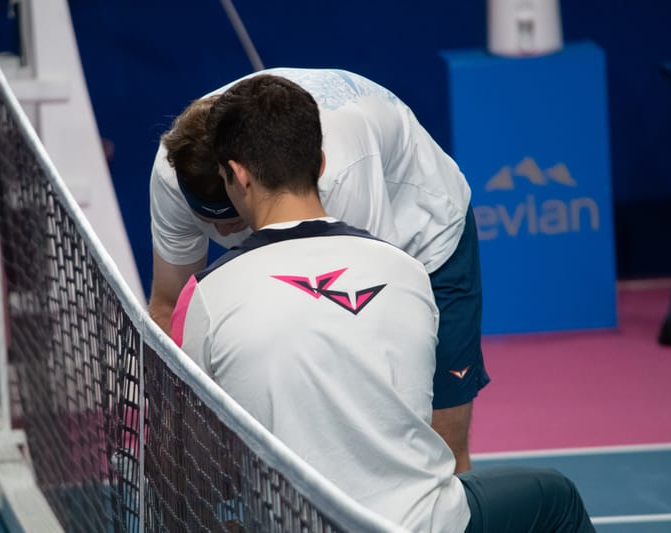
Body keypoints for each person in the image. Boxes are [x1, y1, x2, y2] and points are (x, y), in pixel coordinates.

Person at [171, 74, 595, 532]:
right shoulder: (407, 272)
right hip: (420, 525)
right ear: (320, 163)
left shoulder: (203, 297)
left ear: (238, 175)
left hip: (288, 524)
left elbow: (198, 470)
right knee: (556, 496)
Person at [149, 67, 487, 472]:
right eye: (208, 222)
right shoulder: (172, 173)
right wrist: (169, 427)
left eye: (233, 221)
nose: (225, 234)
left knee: (439, 447)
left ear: (241, 179)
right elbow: (167, 305)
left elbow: (366, 319)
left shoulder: (339, 178)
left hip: (428, 237)